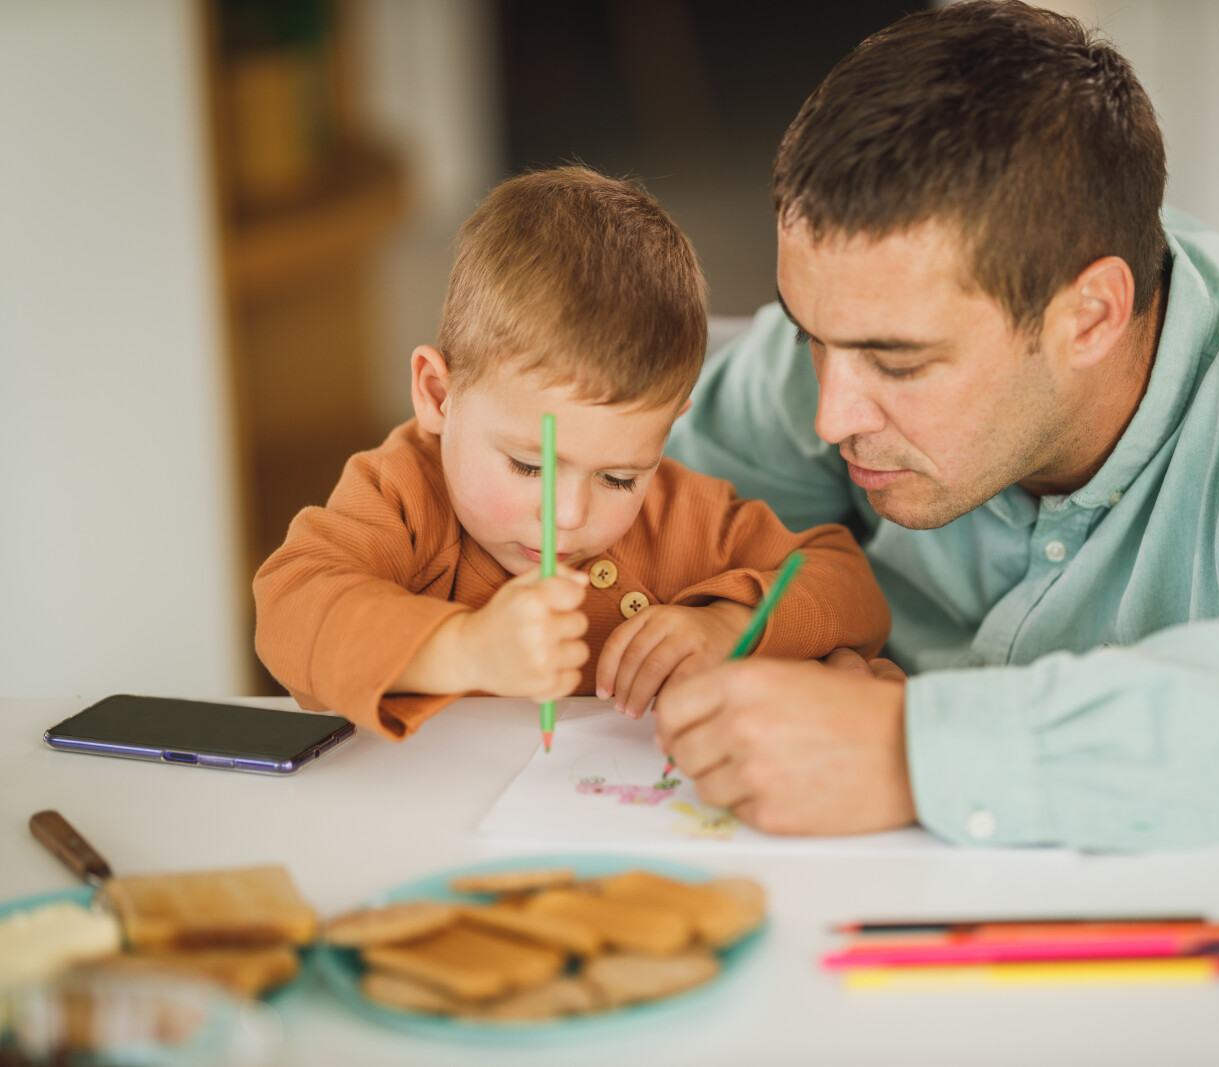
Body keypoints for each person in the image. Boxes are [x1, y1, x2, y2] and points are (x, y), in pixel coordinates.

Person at [656, 0, 1219, 848]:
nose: (830, 411)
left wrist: (907, 748)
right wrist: (786, 640)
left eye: (901, 365)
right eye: (812, 337)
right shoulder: (857, 321)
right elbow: (649, 528)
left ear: (1091, 316)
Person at [254, 167, 890, 740]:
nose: (569, 516)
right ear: (438, 394)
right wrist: (465, 649)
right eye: (530, 467)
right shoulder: (401, 493)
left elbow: (850, 585)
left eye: (618, 477)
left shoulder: (680, 512)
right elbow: (290, 606)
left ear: (664, 434)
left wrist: (728, 626)